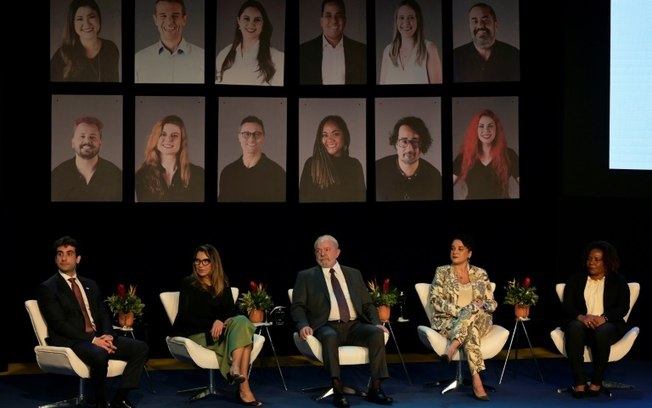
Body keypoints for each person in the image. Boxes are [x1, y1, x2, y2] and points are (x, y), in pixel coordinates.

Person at [37, 236, 149, 408]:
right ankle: (100, 401)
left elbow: (102, 313)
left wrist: (108, 336)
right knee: (99, 354)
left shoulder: (90, 284)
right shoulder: (48, 287)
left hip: (98, 336)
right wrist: (93, 340)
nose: (64, 258)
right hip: (72, 339)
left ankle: (120, 398)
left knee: (140, 347)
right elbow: (59, 324)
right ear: (55, 258)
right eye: (60, 254)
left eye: (69, 253)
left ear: (78, 259)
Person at [291, 235, 393, 407]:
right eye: (318, 251)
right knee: (329, 336)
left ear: (338, 252)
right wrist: (303, 325)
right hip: (326, 325)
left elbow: (367, 304)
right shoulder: (306, 276)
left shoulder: (353, 273)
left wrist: (376, 323)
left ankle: (375, 388)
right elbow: (297, 306)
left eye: (327, 250)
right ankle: (337, 389)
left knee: (376, 333)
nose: (322, 254)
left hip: (354, 325)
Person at [173, 244, 262, 406]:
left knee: (242, 320)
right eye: (197, 261)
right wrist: (213, 322)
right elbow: (187, 316)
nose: (200, 265)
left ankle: (235, 367)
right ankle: (245, 390)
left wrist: (220, 321)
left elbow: (230, 312)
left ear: (214, 263)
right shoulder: (188, 284)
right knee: (246, 341)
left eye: (205, 261)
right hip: (197, 332)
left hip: (220, 332)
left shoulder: (223, 283)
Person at [429, 233, 496, 401]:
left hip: (481, 320)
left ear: (469, 253)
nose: (455, 252)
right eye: (452, 249)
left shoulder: (481, 274)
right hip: (450, 321)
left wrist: (480, 307)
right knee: (470, 329)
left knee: (473, 311)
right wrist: (463, 311)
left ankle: (452, 348)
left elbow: (492, 304)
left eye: (460, 249)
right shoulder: (442, 272)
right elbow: (435, 301)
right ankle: (476, 380)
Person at [560, 240, 631, 399]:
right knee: (574, 327)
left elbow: (623, 308)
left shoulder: (618, 280)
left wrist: (604, 318)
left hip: (607, 325)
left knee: (603, 331)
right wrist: (582, 317)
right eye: (589, 259)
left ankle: (596, 382)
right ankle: (579, 382)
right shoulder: (576, 279)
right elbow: (567, 306)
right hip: (581, 323)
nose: (591, 262)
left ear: (607, 262)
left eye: (596, 259)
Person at [135, 114, 205, 202]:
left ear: (182, 141)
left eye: (174, 135)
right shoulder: (142, 175)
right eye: (163, 134)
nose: (168, 139)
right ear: (156, 139)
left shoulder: (198, 174)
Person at [51, 116, 122, 201]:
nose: (87, 141)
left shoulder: (117, 177)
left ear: (100, 143)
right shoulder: (57, 176)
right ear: (73, 142)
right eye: (82, 136)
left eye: (92, 137)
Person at [452, 108, 519, 199]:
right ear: (475, 129)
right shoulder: (464, 156)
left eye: (490, 126)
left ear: (497, 129)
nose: (486, 130)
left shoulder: (509, 154)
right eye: (481, 126)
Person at [215, 0, 284, 86]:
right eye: (246, 18)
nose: (251, 24)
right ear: (238, 21)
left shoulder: (278, 58)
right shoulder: (224, 54)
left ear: (263, 24)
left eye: (257, 20)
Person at [218, 115, 286, 202]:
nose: (251, 139)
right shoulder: (227, 172)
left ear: (263, 137)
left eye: (257, 134)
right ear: (239, 137)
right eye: (246, 134)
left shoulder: (277, 173)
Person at [299, 115, 366, 202]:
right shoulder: (311, 164)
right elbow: (303, 199)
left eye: (336, 134)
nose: (329, 139)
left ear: (345, 136)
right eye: (325, 135)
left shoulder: (354, 165)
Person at [134, 0, 204, 83]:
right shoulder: (139, 60)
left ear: (184, 19)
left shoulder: (203, 58)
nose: (169, 22)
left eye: (175, 16)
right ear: (155, 19)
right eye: (163, 16)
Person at [299, 0, 367, 85]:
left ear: (345, 21)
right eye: (328, 16)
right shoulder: (302, 52)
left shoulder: (362, 52)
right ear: (321, 21)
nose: (334, 20)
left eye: (338, 16)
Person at [375, 116, 442, 201]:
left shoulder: (434, 177)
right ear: (396, 143)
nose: (410, 148)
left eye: (415, 141)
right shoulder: (377, 170)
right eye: (404, 141)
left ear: (422, 144)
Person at [51, 0, 120, 82]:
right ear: (73, 23)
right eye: (80, 19)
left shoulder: (110, 48)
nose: (87, 24)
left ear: (99, 18)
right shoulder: (62, 55)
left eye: (91, 17)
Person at [378, 0, 442, 85]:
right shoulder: (388, 51)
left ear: (418, 20)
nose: (406, 23)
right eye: (401, 17)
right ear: (396, 21)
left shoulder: (429, 49)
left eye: (411, 17)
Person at [453, 2, 520, 82]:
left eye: (485, 20)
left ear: (496, 26)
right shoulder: (455, 57)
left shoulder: (514, 55)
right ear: (469, 27)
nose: (480, 25)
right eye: (475, 21)